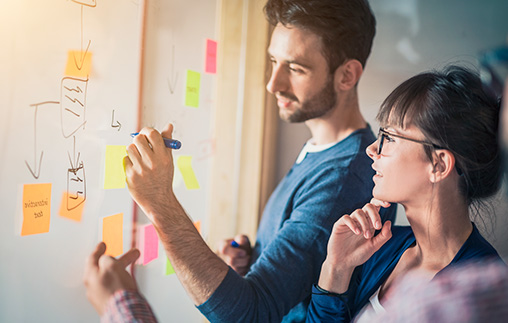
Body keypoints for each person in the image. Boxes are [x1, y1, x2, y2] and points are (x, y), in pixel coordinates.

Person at [83, 0, 397, 322]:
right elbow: (279, 292)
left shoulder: (343, 178)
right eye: (274, 61)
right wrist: (251, 268)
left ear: (347, 75)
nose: (273, 83)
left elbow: (251, 314)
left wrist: (160, 203)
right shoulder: (324, 150)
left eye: (296, 68)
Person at [306, 65, 504, 322]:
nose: (371, 149)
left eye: (389, 137)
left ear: (439, 165)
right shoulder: (380, 246)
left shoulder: (480, 294)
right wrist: (336, 269)